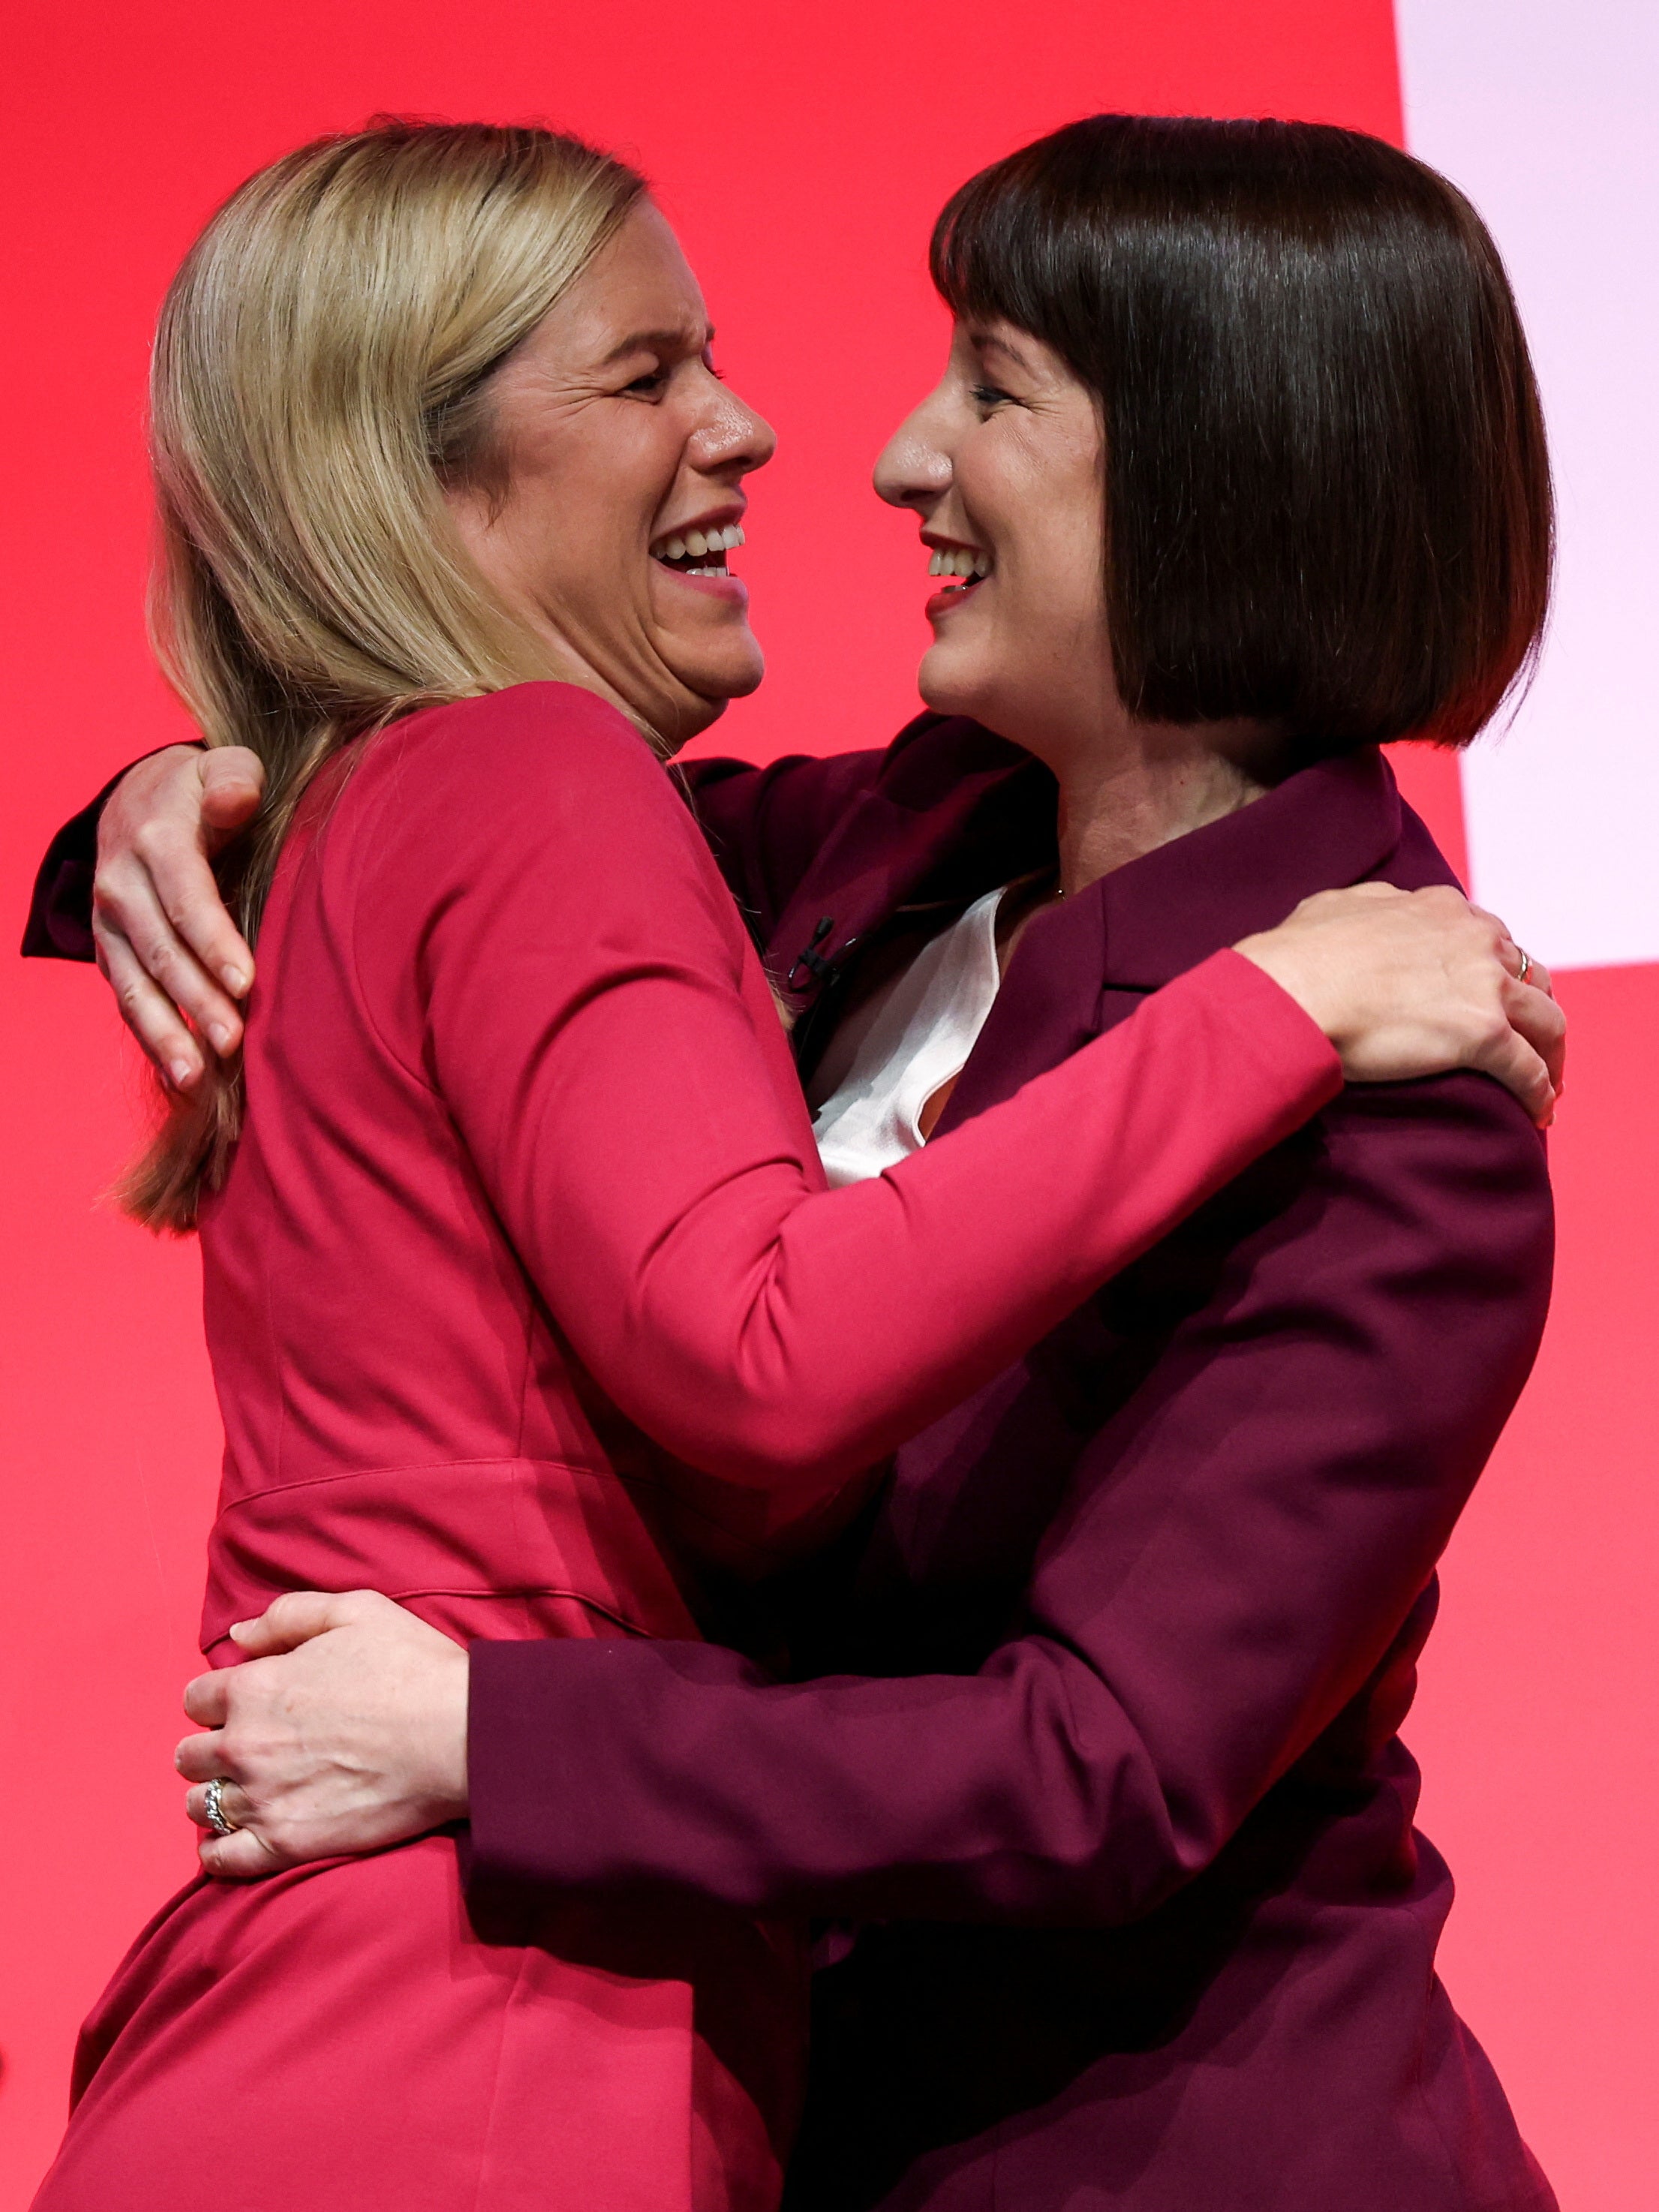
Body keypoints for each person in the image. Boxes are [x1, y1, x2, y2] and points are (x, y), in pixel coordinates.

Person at [23, 117, 1561, 2212]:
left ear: (1222, 466)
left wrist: (499, 1734)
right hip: (719, 2103)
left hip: (1163, 2158)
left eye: (994, 390)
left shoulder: (1412, 1105)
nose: (895, 456)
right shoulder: (893, 836)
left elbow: (1096, 1766)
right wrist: (161, 796)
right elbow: (462, 836)